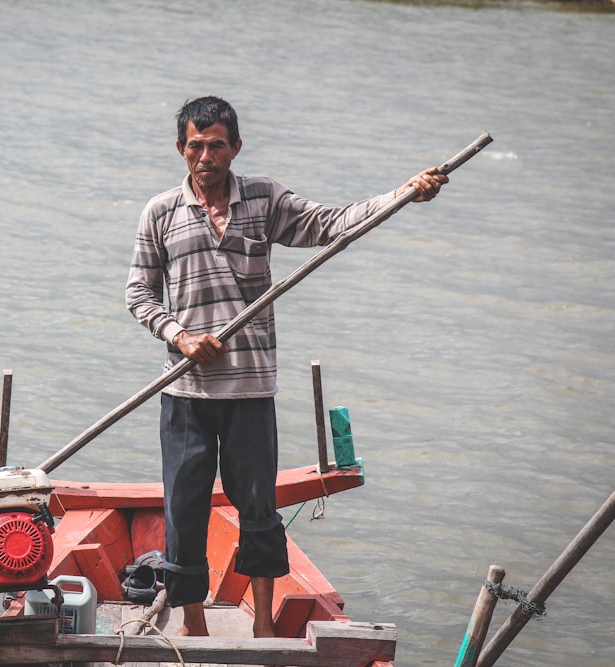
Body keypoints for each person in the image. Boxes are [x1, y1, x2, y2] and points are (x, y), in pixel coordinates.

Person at [125, 96, 447, 638]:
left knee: (259, 508)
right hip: (187, 394)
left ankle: (266, 625)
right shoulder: (160, 212)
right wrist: (178, 336)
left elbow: (332, 225)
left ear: (236, 148)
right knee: (185, 510)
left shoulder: (264, 198)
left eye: (217, 145)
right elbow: (138, 293)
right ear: (181, 148)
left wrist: (403, 195)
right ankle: (194, 624)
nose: (206, 155)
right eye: (196, 145)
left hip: (251, 389)